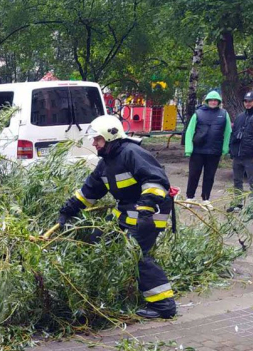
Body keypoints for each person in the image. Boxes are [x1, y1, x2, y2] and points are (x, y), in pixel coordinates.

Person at [58, 115, 177, 320]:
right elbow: (90, 191)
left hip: (150, 213)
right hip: (127, 212)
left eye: (97, 139)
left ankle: (164, 305)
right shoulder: (106, 163)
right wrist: (67, 211)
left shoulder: (132, 153)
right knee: (99, 238)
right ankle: (116, 288)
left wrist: (146, 208)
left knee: (136, 254)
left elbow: (156, 180)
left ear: (110, 137)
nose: (94, 143)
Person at [183, 91, 231, 208]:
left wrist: (225, 148)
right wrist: (189, 149)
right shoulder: (198, 113)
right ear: (207, 101)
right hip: (198, 151)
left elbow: (228, 132)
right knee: (194, 174)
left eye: (215, 100)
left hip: (214, 151)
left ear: (218, 102)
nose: (213, 102)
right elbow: (189, 132)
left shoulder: (224, 114)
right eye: (211, 100)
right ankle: (190, 197)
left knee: (209, 176)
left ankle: (205, 199)